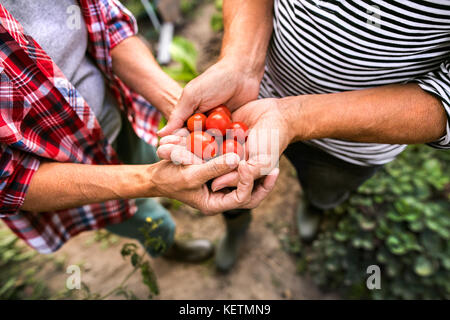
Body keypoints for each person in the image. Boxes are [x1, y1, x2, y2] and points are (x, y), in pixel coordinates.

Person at [158, 0, 450, 272]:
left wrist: (296, 117)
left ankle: (315, 204)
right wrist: (241, 63)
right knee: (225, 179)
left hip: (354, 142)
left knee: (325, 186)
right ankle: (236, 225)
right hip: (253, 95)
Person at [0, 0, 278, 260]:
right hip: (64, 173)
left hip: (120, 120)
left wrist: (180, 106)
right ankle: (169, 246)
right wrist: (152, 181)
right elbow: (9, 182)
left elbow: (107, 24)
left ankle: (196, 210)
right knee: (146, 221)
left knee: (154, 157)